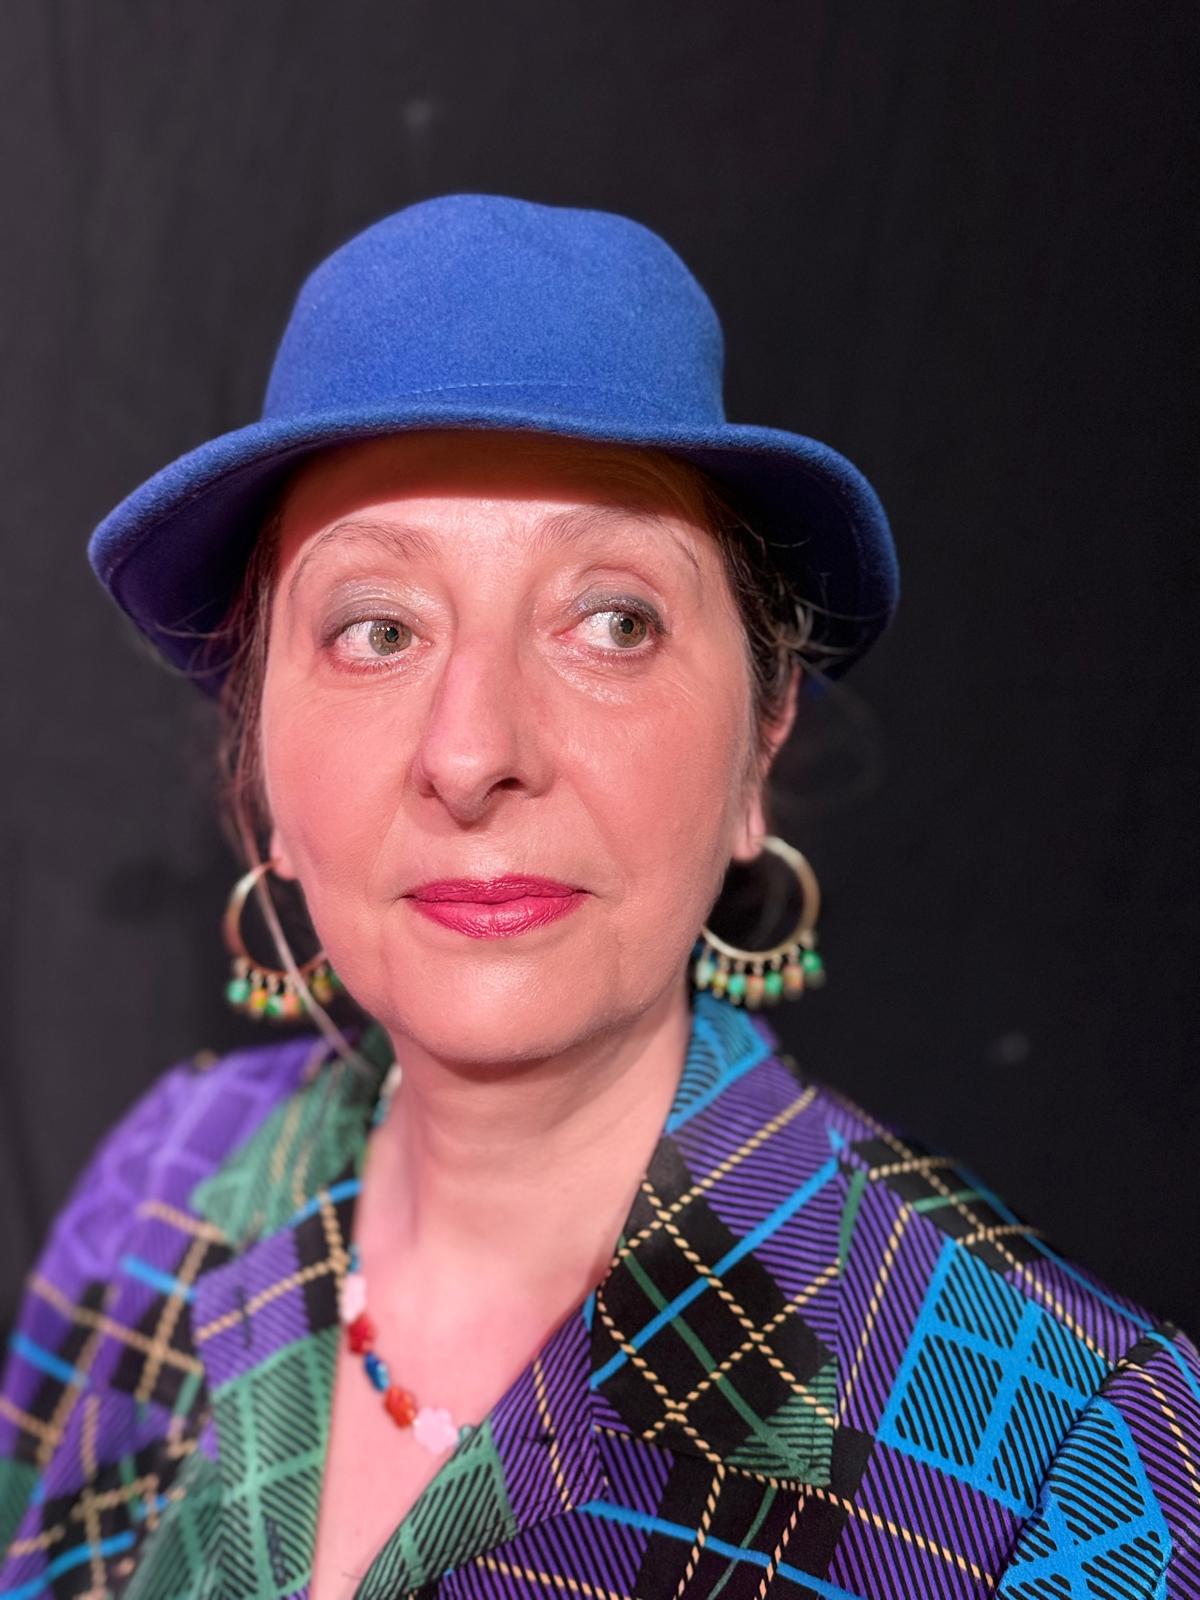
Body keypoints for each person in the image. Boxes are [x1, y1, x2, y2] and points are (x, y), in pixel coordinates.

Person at [0, 195, 1195, 1600]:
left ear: (761, 742)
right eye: (377, 629)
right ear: (257, 756)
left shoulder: (1074, 1456)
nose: (472, 752)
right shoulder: (158, 1184)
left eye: (613, 622)